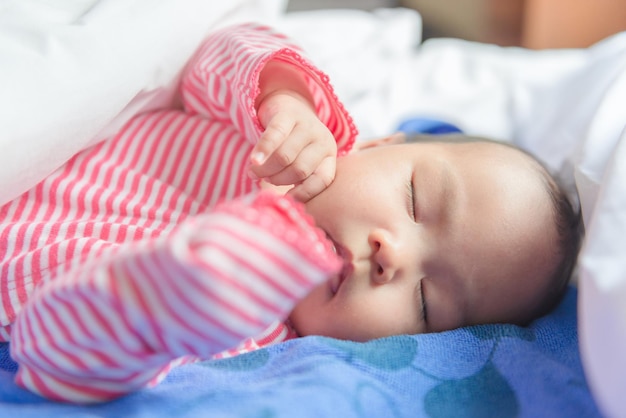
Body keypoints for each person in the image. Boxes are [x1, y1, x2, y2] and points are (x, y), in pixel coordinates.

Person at [0, 23, 582, 403]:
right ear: (380, 146)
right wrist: (285, 93)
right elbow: (212, 54)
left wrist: (181, 304)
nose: (392, 254)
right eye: (414, 200)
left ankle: (148, 297)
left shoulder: (248, 334)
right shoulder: (293, 139)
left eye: (428, 304)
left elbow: (53, 359)